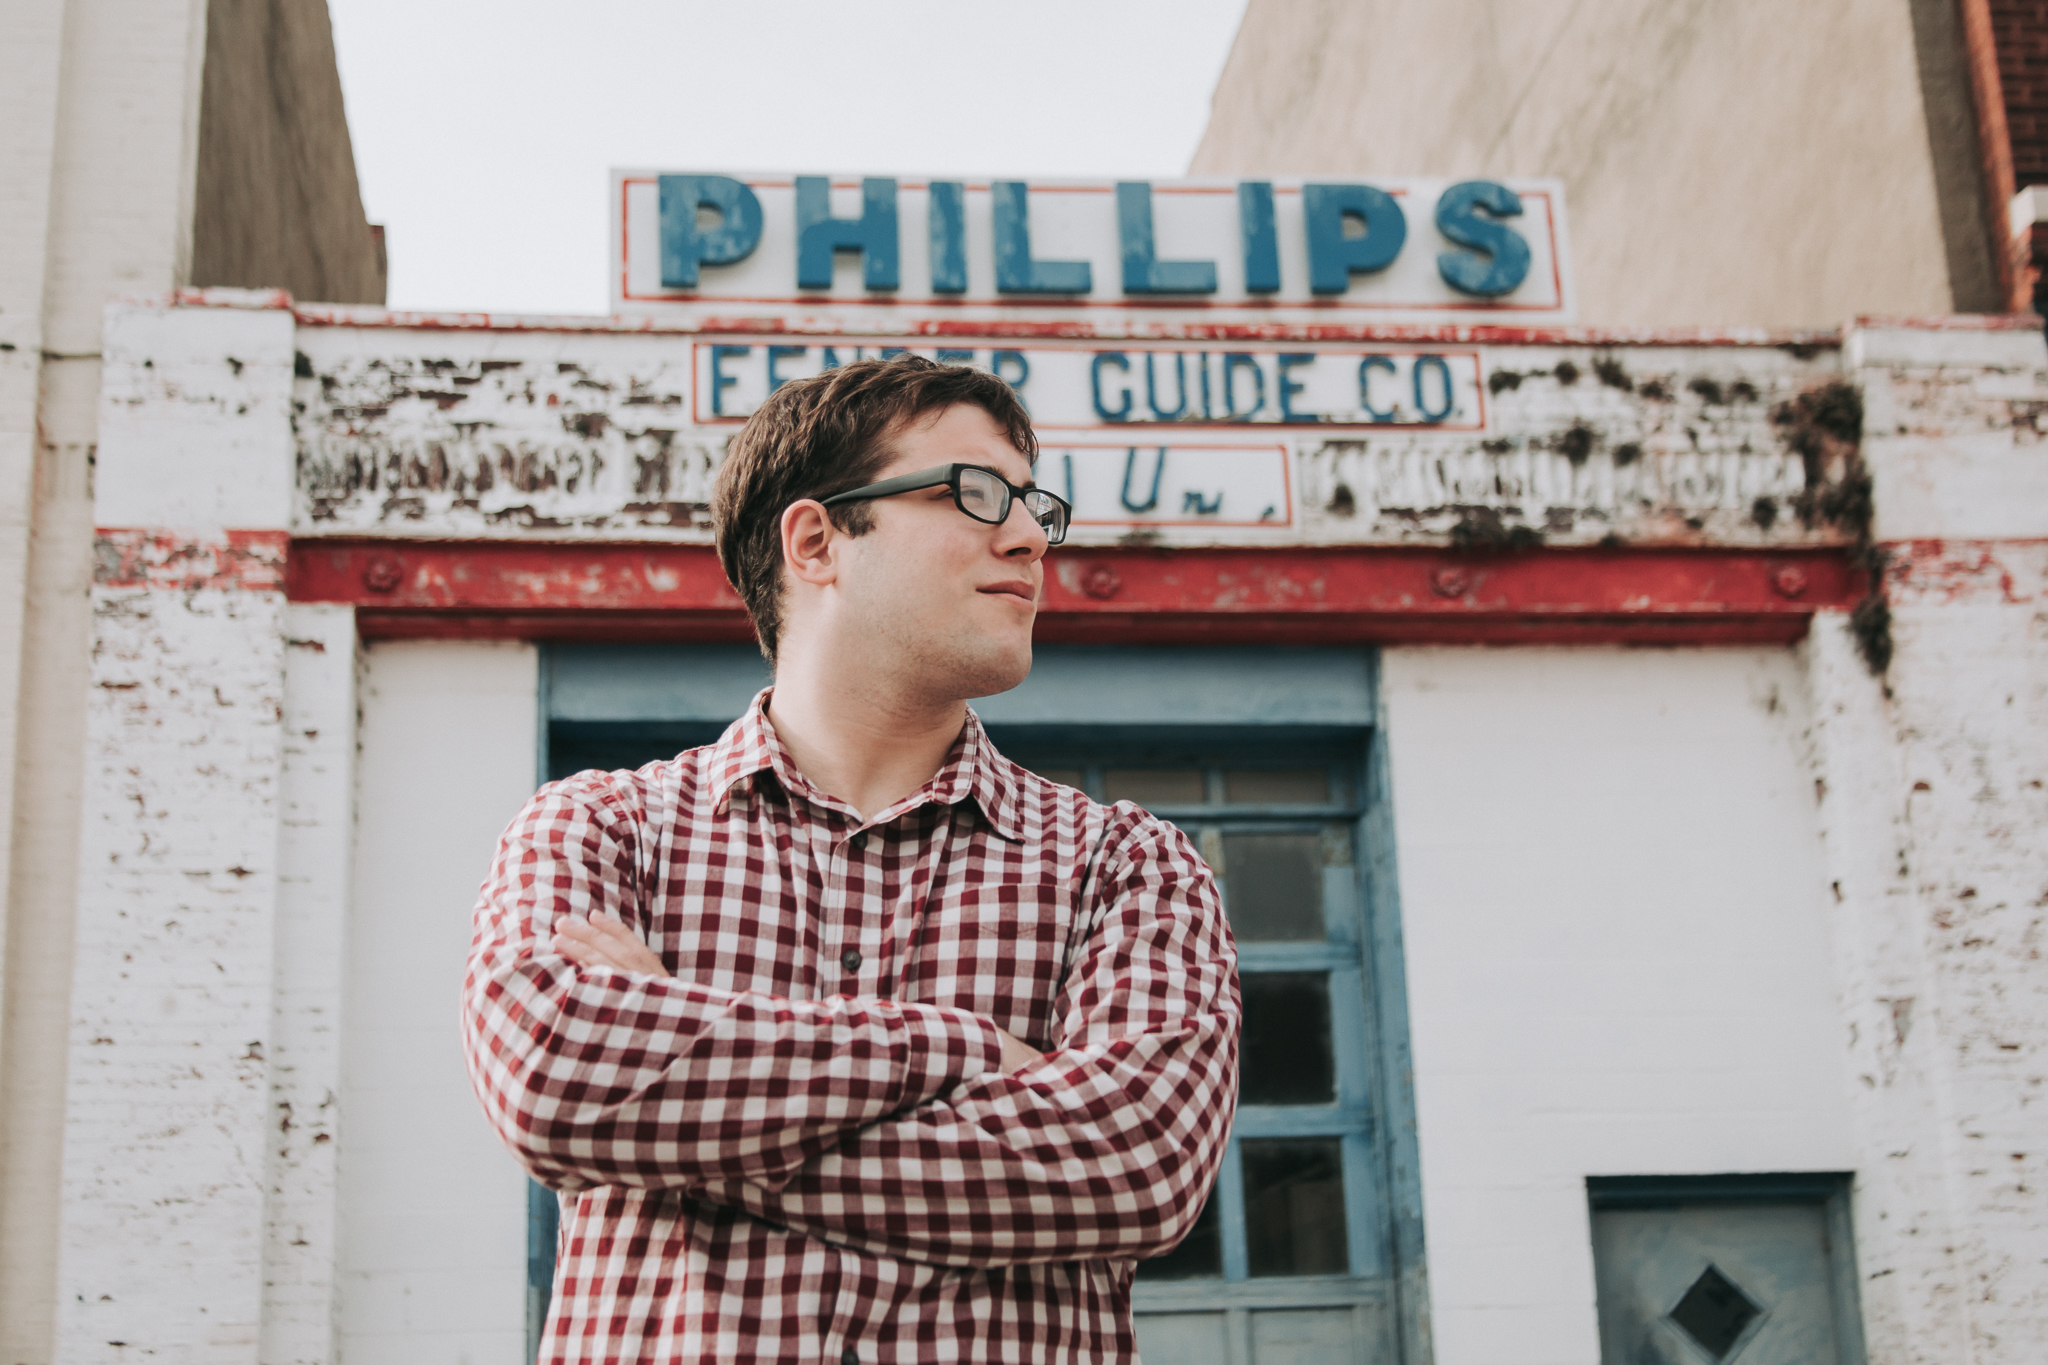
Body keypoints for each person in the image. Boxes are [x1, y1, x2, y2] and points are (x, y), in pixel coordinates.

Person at [461, 354, 1240, 1364]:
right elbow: (556, 1076)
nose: (1029, 536)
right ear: (817, 539)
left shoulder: (1123, 866)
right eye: (975, 493)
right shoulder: (601, 827)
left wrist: (682, 1110)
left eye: (1033, 503)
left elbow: (1136, 1162)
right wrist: (956, 1053)